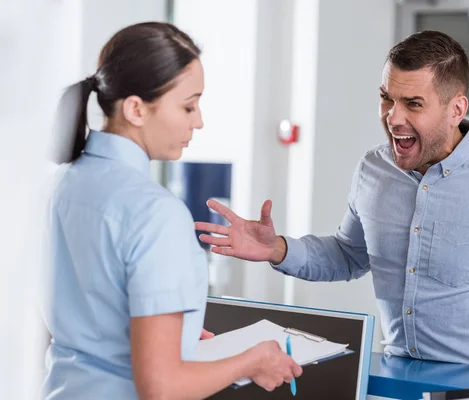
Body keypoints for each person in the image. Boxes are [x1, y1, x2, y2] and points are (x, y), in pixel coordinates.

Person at [196, 30, 469, 365]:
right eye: (386, 98)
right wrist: (277, 249)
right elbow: (349, 255)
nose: (393, 118)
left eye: (413, 103)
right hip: (393, 379)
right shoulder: (372, 170)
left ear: (456, 109)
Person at [42, 22, 301, 400]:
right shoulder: (154, 212)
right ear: (136, 109)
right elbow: (161, 389)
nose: (198, 120)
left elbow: (62, 325)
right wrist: (252, 361)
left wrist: (171, 335)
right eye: (188, 105)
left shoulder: (56, 187)